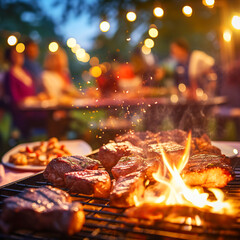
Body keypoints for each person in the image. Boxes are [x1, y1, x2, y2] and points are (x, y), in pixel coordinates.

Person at [3, 48, 39, 138]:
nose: (19, 58)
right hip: (21, 111)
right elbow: (13, 97)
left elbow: (33, 91)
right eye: (15, 55)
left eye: (20, 55)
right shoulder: (10, 74)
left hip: (33, 107)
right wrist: (27, 101)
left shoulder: (26, 73)